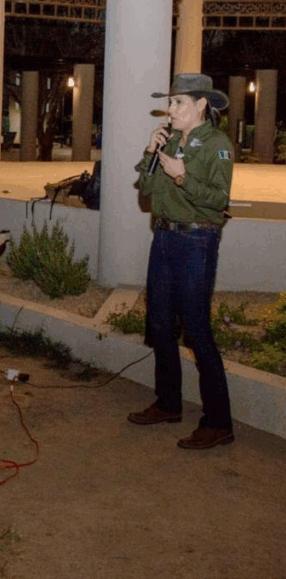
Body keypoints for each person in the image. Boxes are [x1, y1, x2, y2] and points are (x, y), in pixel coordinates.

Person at [129, 73, 235, 450]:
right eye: (170, 103)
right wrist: (150, 152)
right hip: (164, 237)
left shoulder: (216, 145)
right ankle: (169, 403)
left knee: (196, 329)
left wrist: (183, 176)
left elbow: (218, 200)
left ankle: (219, 422)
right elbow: (144, 189)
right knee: (159, 323)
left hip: (196, 240)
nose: (170, 110)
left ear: (201, 104)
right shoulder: (170, 140)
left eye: (178, 103)